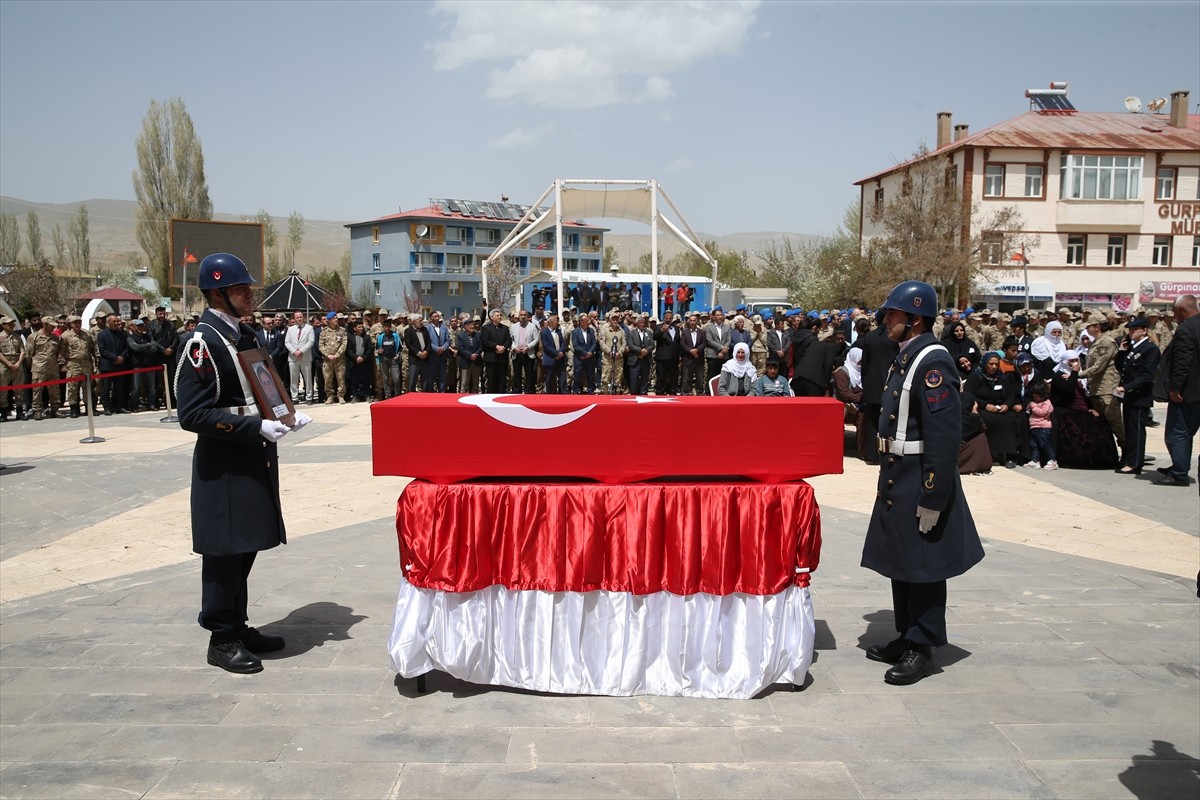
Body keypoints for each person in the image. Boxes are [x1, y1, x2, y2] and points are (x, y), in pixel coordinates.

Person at [175, 253, 310, 674]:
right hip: (225, 460)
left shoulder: (241, 334)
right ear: (217, 294)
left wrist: (285, 413)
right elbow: (192, 415)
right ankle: (221, 636)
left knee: (245, 545)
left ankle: (237, 623)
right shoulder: (203, 342)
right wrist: (254, 429)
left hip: (252, 454)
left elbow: (261, 385)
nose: (250, 294)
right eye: (240, 289)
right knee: (223, 552)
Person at [861, 280, 984, 686]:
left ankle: (924, 646)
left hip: (920, 478)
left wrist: (934, 494)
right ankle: (906, 633)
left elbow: (945, 435)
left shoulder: (933, 360)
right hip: (900, 473)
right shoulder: (907, 355)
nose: (886, 320)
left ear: (914, 318)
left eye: (892, 314)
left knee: (925, 565)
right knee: (903, 562)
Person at [1152, 294, 1199, 487]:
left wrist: (1175, 389)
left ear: (1182, 310)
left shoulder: (1186, 329)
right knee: (1187, 432)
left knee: (1177, 433)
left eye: (1174, 311)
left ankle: (1179, 473)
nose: (1173, 315)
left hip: (1187, 394)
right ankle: (1179, 466)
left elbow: (1182, 363)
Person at [1048, 349, 1118, 469]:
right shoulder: (1059, 376)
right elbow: (1068, 390)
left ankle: (1102, 460)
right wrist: (1074, 373)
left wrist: (1091, 408)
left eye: (1076, 360)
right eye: (1071, 361)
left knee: (1099, 422)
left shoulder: (1083, 378)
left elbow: (1087, 395)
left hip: (1084, 410)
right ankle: (1078, 460)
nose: (1075, 363)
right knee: (1076, 428)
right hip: (1067, 410)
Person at [1114, 318, 1161, 475]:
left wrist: (1127, 388)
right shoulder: (1132, 348)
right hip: (1129, 396)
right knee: (1130, 430)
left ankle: (1135, 463)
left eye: (1135, 329)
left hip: (1140, 396)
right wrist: (1122, 350)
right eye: (1130, 330)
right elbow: (1120, 366)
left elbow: (1147, 376)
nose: (1131, 332)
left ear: (1144, 330)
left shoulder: (1150, 349)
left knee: (1137, 432)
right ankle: (1130, 458)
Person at [964, 353, 1020, 468]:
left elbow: (1010, 394)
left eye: (996, 364)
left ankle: (1011, 455)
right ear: (985, 363)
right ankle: (993, 455)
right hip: (982, 408)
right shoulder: (976, 377)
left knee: (1013, 420)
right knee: (991, 421)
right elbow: (969, 395)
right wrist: (985, 405)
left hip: (1000, 408)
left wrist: (1007, 405)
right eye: (991, 364)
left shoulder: (1002, 377)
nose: (994, 367)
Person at [284, 311, 315, 404]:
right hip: (293, 357)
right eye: (297, 317)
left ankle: (309, 397)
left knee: (308, 378)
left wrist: (301, 351)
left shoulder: (309, 328)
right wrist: (294, 351)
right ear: (294, 319)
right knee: (293, 378)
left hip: (305, 356)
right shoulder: (290, 329)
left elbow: (311, 341)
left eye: (301, 317)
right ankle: (294, 397)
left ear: (303, 317)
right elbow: (287, 342)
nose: (299, 319)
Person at [479, 309, 513, 394]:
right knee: (491, 379)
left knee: (502, 379)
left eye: (500, 315)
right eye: (497, 315)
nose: (500, 317)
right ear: (492, 317)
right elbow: (485, 341)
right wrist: (496, 347)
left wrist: (504, 347)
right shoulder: (486, 328)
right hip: (491, 358)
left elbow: (509, 340)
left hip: (502, 358)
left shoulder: (505, 328)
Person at [318, 312, 347, 404]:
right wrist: (328, 355)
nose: (336, 320)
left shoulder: (342, 330)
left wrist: (337, 355)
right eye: (334, 318)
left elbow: (344, 344)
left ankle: (341, 396)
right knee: (327, 378)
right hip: (328, 360)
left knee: (341, 378)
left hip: (339, 359)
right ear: (329, 320)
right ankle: (329, 396)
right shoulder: (324, 332)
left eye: (336, 318)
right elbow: (321, 345)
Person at [1026, 383, 1057, 469]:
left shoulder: (1047, 403)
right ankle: (1035, 460)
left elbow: (1042, 413)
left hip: (1043, 427)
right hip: (1034, 426)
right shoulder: (1036, 403)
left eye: (1037, 396)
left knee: (1044, 444)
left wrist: (1033, 406)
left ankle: (1052, 460)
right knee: (1033, 444)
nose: (1035, 399)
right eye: (1034, 397)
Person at [625, 316, 654, 396]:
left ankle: (643, 392)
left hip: (646, 358)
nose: (642, 324)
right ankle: (634, 393)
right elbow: (630, 345)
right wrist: (640, 351)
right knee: (634, 377)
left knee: (645, 377)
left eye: (643, 323)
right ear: (637, 324)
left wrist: (646, 351)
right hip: (635, 359)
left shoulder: (649, 332)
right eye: (640, 323)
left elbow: (652, 344)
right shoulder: (631, 332)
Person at [570, 313, 599, 394]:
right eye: (587, 321)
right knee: (577, 376)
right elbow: (575, 345)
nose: (589, 322)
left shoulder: (591, 330)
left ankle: (590, 391)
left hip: (590, 358)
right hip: (579, 359)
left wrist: (590, 352)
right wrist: (585, 353)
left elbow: (594, 343)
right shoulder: (575, 332)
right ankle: (576, 391)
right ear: (581, 322)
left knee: (590, 376)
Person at [540, 313, 567, 394]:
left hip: (560, 359)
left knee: (562, 379)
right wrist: (556, 353)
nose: (557, 323)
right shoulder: (544, 332)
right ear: (551, 322)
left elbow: (563, 342)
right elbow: (546, 346)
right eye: (556, 321)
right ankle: (549, 396)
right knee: (550, 380)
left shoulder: (558, 331)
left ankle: (564, 394)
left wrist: (561, 352)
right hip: (550, 359)